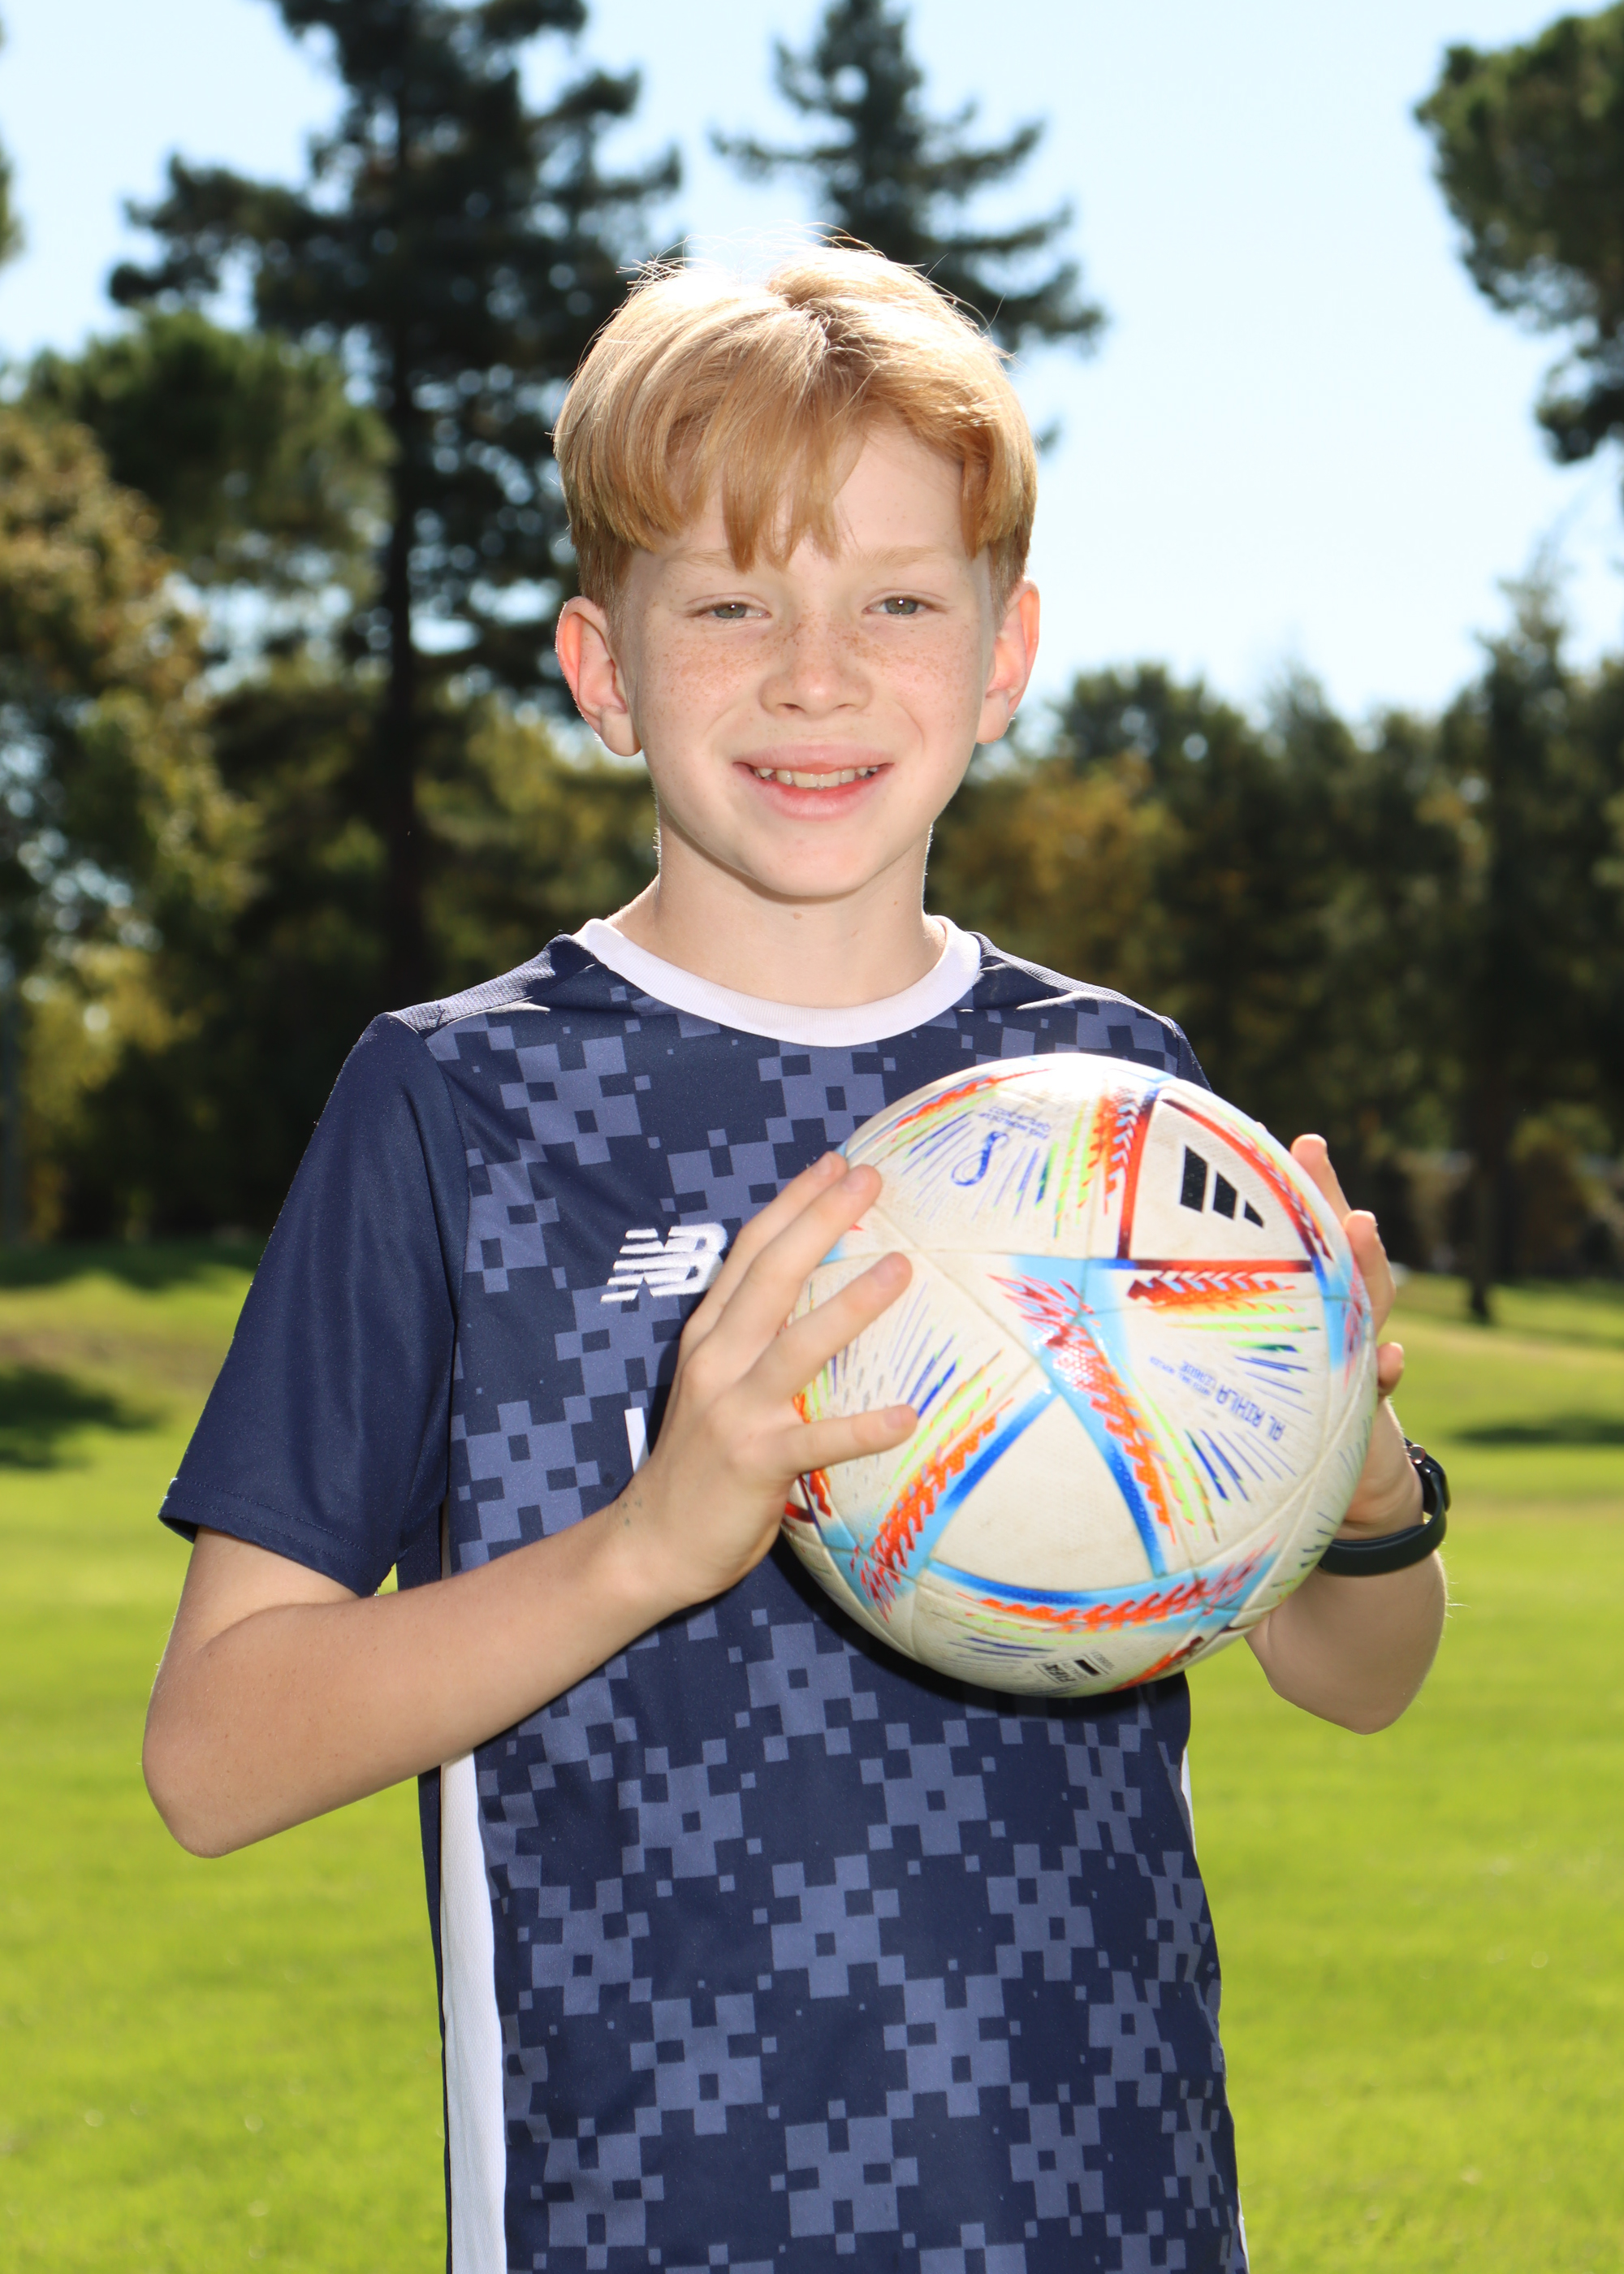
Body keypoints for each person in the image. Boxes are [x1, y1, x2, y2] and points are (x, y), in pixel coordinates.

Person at [144, 247, 1447, 2274]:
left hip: (1115, 2213)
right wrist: (645, 1546)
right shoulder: (453, 1105)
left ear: (1005, 654)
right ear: (603, 667)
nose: (816, 674)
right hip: (644, 2223)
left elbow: (1352, 1674)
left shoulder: (1119, 1103)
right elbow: (214, 1753)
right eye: (731, 603)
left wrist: (1351, 1479)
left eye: (897, 602)